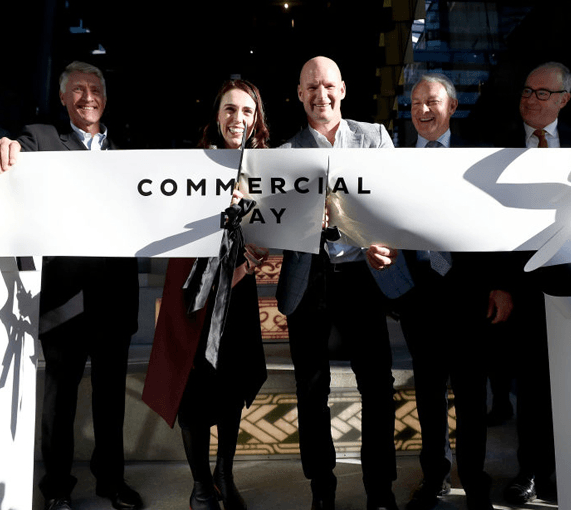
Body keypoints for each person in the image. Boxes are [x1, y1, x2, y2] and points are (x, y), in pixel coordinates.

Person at [0, 61, 142, 510]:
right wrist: (2, 143)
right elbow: (13, 155)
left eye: (94, 89)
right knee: (59, 401)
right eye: (77, 90)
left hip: (114, 297)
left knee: (111, 401)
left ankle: (111, 483)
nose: (87, 97)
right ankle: (55, 490)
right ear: (62, 98)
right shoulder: (41, 138)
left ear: (105, 99)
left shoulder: (130, 150)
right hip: (63, 299)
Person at [367, 74, 511, 510]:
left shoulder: (478, 152)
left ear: (452, 106)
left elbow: (499, 220)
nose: (422, 111)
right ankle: (435, 478)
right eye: (414, 104)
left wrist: (501, 285)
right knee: (428, 394)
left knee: (471, 394)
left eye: (431, 102)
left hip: (470, 294)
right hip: (420, 297)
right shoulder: (400, 162)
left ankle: (474, 479)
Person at [276, 56, 400, 510]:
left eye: (328, 85)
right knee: (311, 389)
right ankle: (321, 488)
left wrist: (383, 243)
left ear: (343, 89)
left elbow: (396, 205)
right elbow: (275, 224)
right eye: (311, 87)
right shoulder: (285, 156)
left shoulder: (375, 138)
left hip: (364, 277)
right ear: (299, 94)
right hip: (310, 279)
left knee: (378, 387)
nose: (320, 94)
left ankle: (380, 490)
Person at [142, 79, 270, 510]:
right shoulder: (190, 165)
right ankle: (200, 486)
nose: (238, 119)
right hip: (192, 292)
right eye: (230, 110)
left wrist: (256, 248)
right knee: (193, 393)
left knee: (231, 390)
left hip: (238, 294)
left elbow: (272, 232)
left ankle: (223, 476)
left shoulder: (266, 168)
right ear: (217, 116)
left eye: (247, 112)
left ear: (256, 120)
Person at [490, 61, 571, 505]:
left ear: (564, 99)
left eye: (543, 93)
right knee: (530, 386)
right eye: (527, 90)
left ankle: (568, 471)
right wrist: (499, 285)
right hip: (523, 286)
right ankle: (529, 472)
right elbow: (485, 221)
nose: (531, 98)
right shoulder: (498, 145)